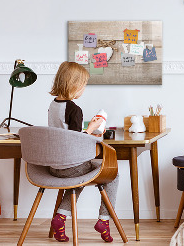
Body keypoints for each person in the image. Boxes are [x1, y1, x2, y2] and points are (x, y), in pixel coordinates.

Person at [48, 61, 118, 243]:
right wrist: (92, 129)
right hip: (71, 166)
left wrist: (87, 129)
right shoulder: (74, 109)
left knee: (78, 178)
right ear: (75, 85)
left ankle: (60, 218)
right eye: (84, 85)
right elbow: (75, 141)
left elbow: (65, 134)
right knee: (113, 174)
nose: (84, 89)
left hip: (54, 166)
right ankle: (104, 220)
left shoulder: (53, 105)